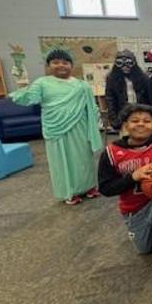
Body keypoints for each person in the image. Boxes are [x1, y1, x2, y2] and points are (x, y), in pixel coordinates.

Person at [97, 104, 152, 272]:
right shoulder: (112, 151)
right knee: (143, 250)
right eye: (135, 121)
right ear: (125, 125)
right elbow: (105, 188)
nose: (141, 124)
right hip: (133, 210)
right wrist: (133, 177)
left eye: (147, 121)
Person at [10, 49, 102, 205]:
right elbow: (27, 99)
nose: (61, 65)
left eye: (65, 62)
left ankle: (89, 187)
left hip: (79, 125)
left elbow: (91, 107)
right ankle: (69, 192)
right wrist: (21, 80)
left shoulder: (81, 85)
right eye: (56, 62)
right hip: (55, 128)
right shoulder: (42, 83)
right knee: (62, 160)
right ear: (48, 65)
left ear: (71, 65)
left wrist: (96, 124)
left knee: (83, 158)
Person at [104, 49, 149, 131]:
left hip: (142, 114)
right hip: (123, 116)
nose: (125, 67)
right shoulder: (112, 78)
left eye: (129, 63)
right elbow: (110, 99)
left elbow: (149, 98)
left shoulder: (143, 77)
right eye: (120, 63)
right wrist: (114, 120)